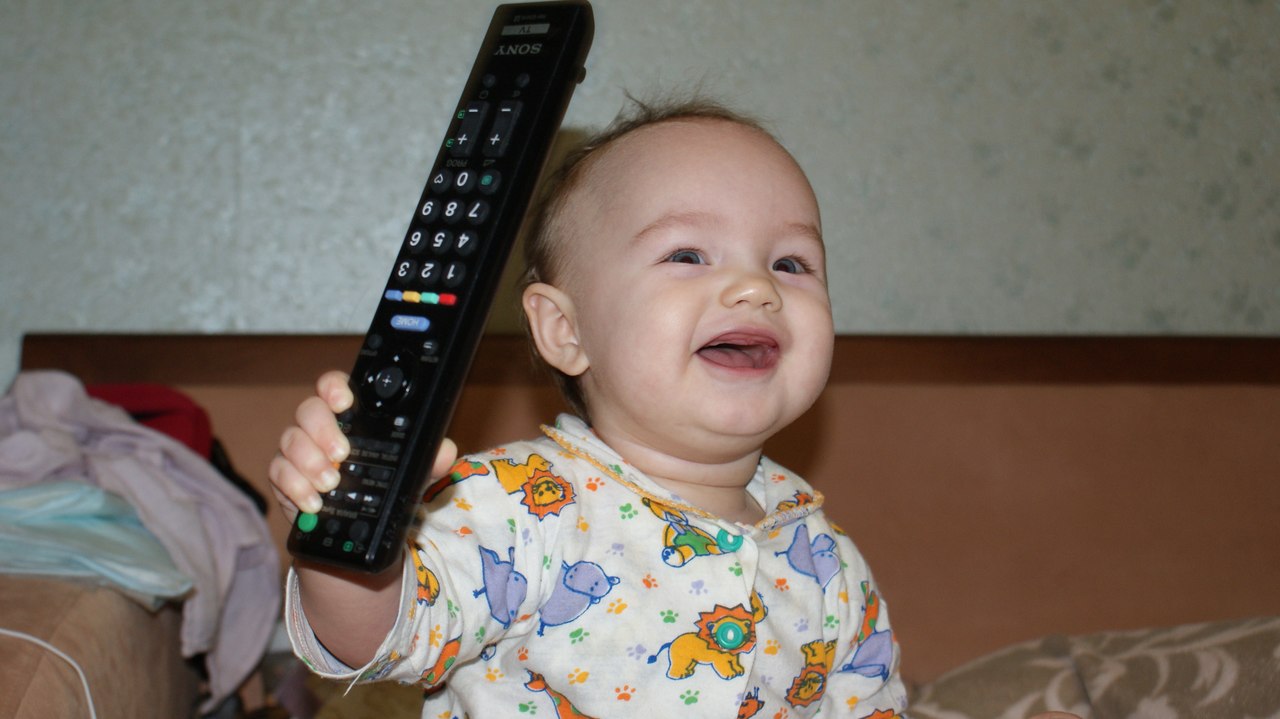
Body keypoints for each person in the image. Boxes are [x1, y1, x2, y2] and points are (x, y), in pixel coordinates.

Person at [270, 97, 909, 717]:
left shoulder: (824, 559)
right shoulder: (517, 503)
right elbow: (380, 638)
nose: (756, 287)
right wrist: (346, 533)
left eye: (791, 263)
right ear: (565, 330)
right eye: (687, 255)